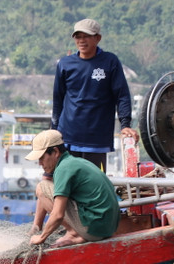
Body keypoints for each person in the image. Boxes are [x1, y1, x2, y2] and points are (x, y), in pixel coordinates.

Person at [51, 18, 138, 171]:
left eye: (86, 36)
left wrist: (125, 125)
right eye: (78, 37)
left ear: (97, 38)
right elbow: (58, 99)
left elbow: (122, 95)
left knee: (93, 181)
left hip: (97, 139)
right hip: (68, 136)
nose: (81, 40)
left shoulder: (110, 61)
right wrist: (54, 130)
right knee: (69, 180)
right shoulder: (65, 64)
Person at [27, 130, 120, 247]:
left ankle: (73, 233)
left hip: (94, 230)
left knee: (42, 187)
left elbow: (58, 215)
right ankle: (36, 228)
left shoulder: (63, 168)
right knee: (47, 186)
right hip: (108, 228)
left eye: (41, 158)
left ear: (55, 152)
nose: (40, 163)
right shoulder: (75, 162)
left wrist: (41, 238)